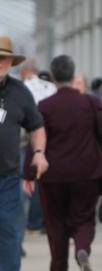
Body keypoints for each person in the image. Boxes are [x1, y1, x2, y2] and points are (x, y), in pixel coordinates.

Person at [31, 55, 102, 271]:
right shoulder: (90, 103)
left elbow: (37, 140)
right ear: (73, 73)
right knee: (84, 218)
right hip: (87, 172)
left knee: (56, 224)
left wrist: (29, 174)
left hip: (53, 174)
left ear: (54, 76)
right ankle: (83, 249)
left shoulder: (45, 107)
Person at [0, 38, 47, 271]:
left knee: (9, 231)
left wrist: (39, 154)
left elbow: (36, 126)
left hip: (7, 176)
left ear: (10, 62)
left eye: (3, 59)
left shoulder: (19, 92)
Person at [17, 58, 54, 235]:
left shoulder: (21, 89)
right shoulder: (50, 87)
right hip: (51, 142)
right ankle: (48, 221)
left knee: (27, 183)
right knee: (46, 184)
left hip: (26, 142)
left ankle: (31, 222)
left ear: (24, 72)